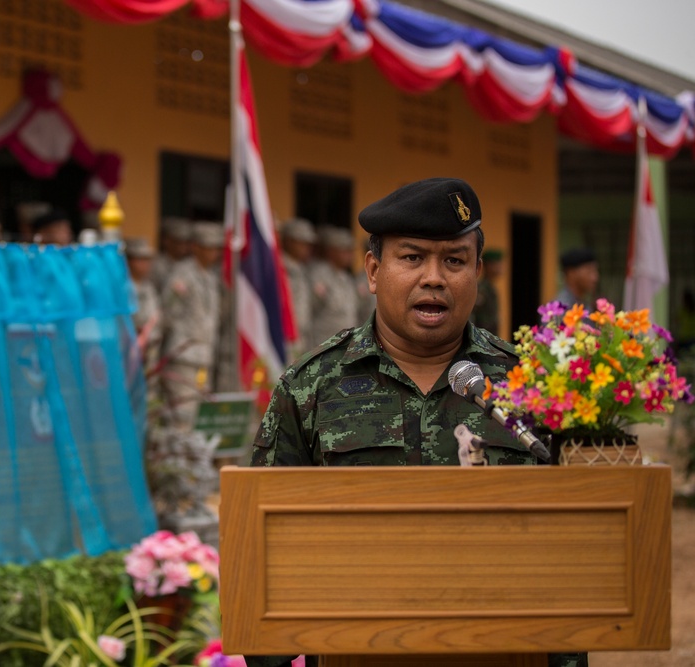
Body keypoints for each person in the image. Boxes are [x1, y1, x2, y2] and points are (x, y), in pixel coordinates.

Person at [248, 177, 584, 667]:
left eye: (454, 260)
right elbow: (267, 548)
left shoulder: (530, 384)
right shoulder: (310, 387)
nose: (434, 278)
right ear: (373, 269)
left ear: (478, 272)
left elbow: (571, 553)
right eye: (412, 258)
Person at [160, 222, 224, 429]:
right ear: (195, 246)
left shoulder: (211, 276)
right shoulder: (183, 273)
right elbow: (167, 312)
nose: (213, 252)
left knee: (200, 414)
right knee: (181, 414)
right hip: (184, 354)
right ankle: (177, 461)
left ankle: (193, 460)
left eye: (216, 248)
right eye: (208, 247)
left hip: (204, 356)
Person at [308, 225, 358, 348]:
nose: (349, 255)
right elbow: (310, 311)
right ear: (331, 251)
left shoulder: (347, 278)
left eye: (350, 251)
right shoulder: (318, 275)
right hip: (323, 345)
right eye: (344, 250)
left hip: (345, 345)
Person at [279, 218, 317, 360]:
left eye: (309, 244)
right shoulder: (278, 268)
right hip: (283, 340)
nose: (307, 248)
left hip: (302, 340)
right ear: (288, 241)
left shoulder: (303, 270)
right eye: (302, 243)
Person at [150, 217, 192, 293]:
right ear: (166, 241)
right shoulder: (156, 264)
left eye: (186, 243)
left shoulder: (189, 265)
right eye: (178, 242)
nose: (183, 247)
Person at [471, 247, 503, 335]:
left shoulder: (491, 288)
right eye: (497, 263)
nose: (501, 267)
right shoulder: (481, 289)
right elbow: (472, 317)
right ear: (488, 265)